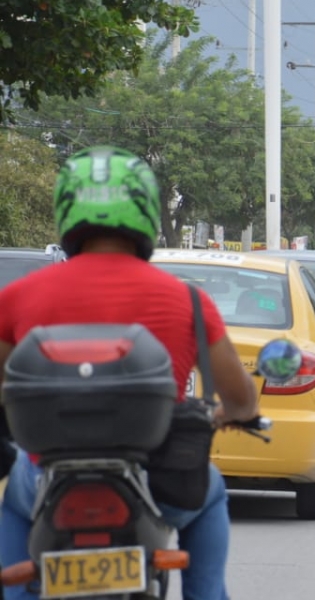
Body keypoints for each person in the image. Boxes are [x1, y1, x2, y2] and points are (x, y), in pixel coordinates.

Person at [0, 146, 260, 600]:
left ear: (67, 208)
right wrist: (217, 417)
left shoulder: (19, 296)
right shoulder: (188, 302)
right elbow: (241, 401)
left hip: (47, 478)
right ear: (146, 211)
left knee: (17, 497)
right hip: (157, 481)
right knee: (211, 492)